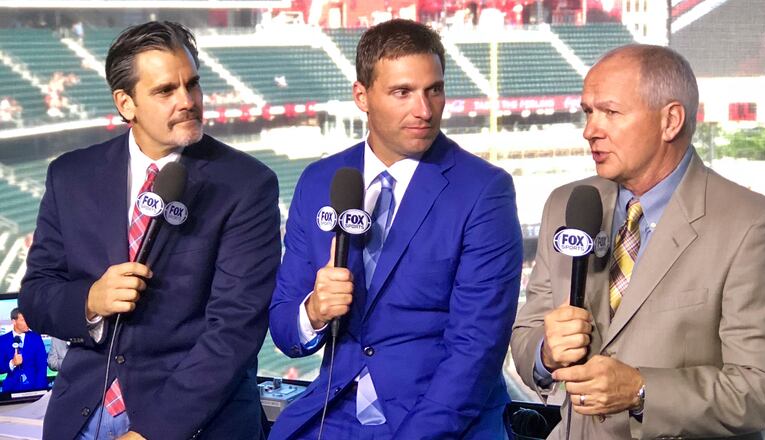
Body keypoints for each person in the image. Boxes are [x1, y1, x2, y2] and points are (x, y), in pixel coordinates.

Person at [510, 44, 765, 439]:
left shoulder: (753, 225)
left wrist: (641, 390)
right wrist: (545, 353)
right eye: (588, 112)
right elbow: (527, 335)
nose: (590, 129)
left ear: (670, 121)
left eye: (610, 112)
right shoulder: (568, 204)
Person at [19, 21, 281, 440]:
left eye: (192, 85)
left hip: (191, 424)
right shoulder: (70, 176)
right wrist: (90, 299)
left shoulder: (246, 185)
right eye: (165, 91)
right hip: (81, 418)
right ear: (126, 103)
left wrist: (152, 433)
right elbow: (36, 295)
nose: (188, 101)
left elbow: (234, 330)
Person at [268, 19, 523, 439]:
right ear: (362, 96)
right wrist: (313, 312)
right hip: (334, 413)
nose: (424, 110)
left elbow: (474, 353)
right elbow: (284, 328)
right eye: (403, 92)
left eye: (434, 90)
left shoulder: (484, 190)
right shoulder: (319, 181)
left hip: (438, 418)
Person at [0, 309, 48, 393]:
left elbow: (42, 366)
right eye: (23, 320)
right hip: (11, 388)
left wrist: (38, 390)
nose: (27, 322)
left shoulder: (36, 338)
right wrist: (12, 363)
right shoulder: (3, 340)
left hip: (34, 387)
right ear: (14, 321)